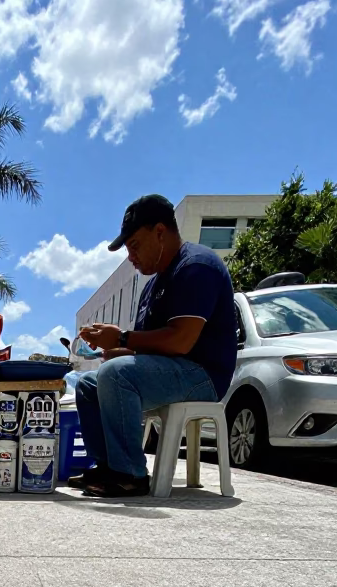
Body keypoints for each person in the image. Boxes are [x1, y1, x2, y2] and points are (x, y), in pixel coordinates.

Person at [72, 194, 237, 498]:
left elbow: (180, 341)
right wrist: (111, 348)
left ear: (160, 232)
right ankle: (109, 466)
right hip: (174, 368)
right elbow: (145, 349)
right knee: (87, 383)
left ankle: (130, 475)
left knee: (115, 374)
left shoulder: (197, 266)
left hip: (203, 374)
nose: (131, 256)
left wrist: (121, 338)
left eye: (134, 245)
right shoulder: (153, 285)